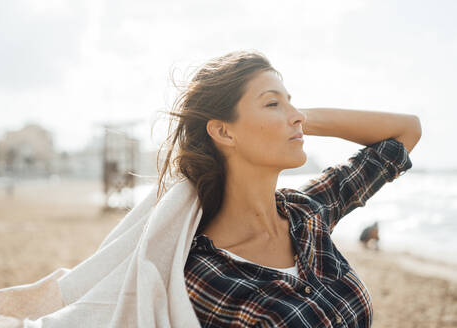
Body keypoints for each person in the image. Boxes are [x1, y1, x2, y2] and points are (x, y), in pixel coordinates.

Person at [157, 50, 421, 327]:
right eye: (272, 103)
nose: (297, 116)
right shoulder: (203, 278)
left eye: (291, 104)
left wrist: (295, 119)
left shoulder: (305, 212)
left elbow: (406, 131)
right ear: (224, 132)